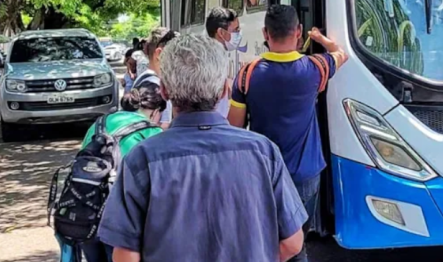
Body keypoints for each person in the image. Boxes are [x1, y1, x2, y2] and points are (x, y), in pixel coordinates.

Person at [98, 34, 307, 262]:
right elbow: (292, 243)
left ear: (164, 91)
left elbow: (125, 257)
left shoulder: (141, 159)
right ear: (224, 90)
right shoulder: (264, 151)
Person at [229, 4, 348, 262]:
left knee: (266, 239)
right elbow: (341, 54)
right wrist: (319, 38)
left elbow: (234, 130)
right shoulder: (315, 68)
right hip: (305, 176)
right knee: (296, 245)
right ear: (298, 31)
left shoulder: (247, 74)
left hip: (263, 175)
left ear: (265, 33)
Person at [78, 83, 165, 262]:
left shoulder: (100, 123)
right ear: (155, 112)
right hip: (121, 222)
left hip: (86, 212)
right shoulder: (152, 132)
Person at [132, 27, 179, 129]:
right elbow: (163, 126)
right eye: (175, 55)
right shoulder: (157, 87)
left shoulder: (143, 79)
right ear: (159, 54)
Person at [205, 7, 241, 118]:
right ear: (221, 32)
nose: (238, 34)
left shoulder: (215, 55)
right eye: (235, 30)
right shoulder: (211, 60)